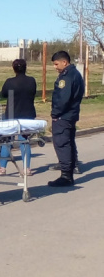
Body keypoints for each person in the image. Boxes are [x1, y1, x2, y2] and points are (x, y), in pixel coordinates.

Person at [48, 51, 84, 187]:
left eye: (56, 64)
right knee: (69, 142)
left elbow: (63, 99)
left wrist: (55, 114)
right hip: (71, 114)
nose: (55, 67)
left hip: (63, 116)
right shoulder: (75, 74)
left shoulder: (66, 77)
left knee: (62, 143)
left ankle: (66, 176)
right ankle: (71, 168)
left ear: (64, 62)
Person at [0, 59, 37, 176]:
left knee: (7, 140)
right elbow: (33, 92)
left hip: (11, 114)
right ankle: (26, 168)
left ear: (14, 69)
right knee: (24, 141)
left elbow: (3, 94)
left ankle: (2, 168)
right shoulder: (31, 81)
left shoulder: (10, 82)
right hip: (27, 114)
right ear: (26, 68)